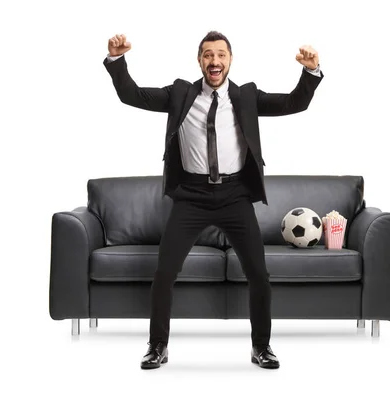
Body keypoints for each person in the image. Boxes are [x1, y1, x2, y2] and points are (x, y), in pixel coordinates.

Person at [103, 31, 323, 369]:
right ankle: (157, 346)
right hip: (191, 196)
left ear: (230, 60)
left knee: (258, 274)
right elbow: (133, 95)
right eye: (208, 55)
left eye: (221, 55)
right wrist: (117, 61)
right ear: (200, 61)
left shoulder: (247, 96)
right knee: (164, 272)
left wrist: (309, 73)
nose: (215, 61)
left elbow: (294, 103)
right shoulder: (180, 93)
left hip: (235, 195)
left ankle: (261, 347)